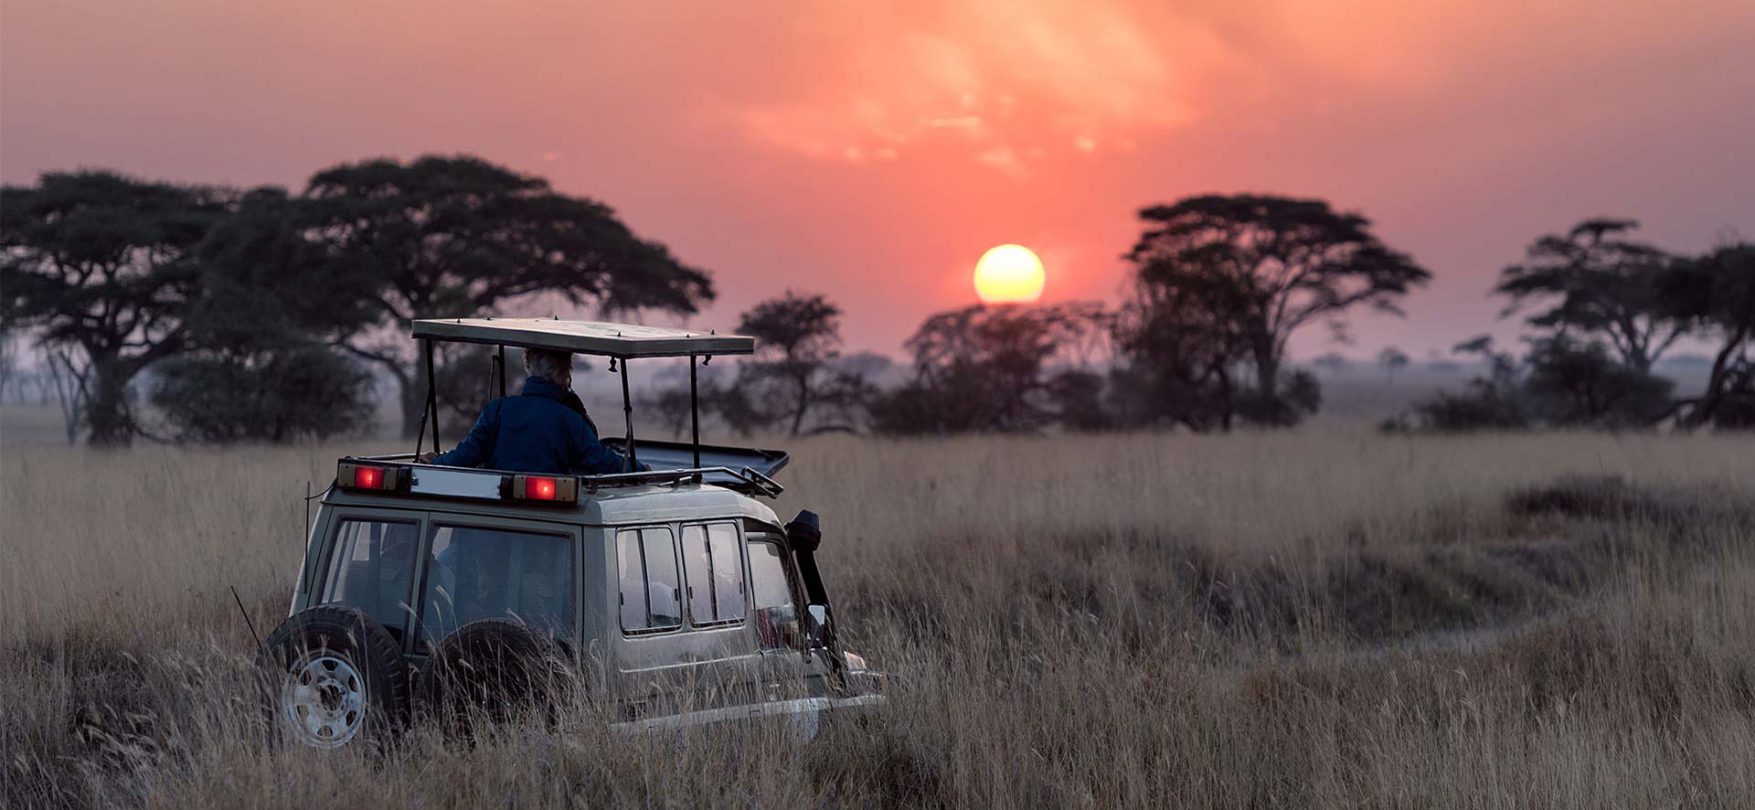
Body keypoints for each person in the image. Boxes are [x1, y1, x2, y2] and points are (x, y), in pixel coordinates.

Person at [420, 348, 644, 475]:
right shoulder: (569, 420)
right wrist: (640, 470)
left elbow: (466, 455)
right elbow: (600, 460)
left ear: (528, 366)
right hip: (552, 519)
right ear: (566, 372)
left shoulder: (497, 410)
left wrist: (437, 462)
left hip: (496, 516)